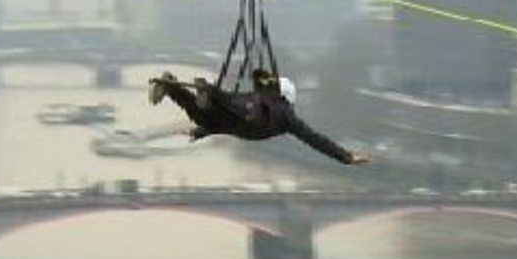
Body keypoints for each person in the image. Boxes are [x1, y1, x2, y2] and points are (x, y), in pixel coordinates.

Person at [149, 70, 369, 165]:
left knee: (206, 115)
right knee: (212, 113)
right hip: (246, 121)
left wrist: (201, 132)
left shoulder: (259, 96)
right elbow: (314, 139)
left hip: (233, 115)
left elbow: (227, 127)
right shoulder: (286, 117)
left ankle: (174, 86)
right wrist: (346, 157)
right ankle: (205, 92)